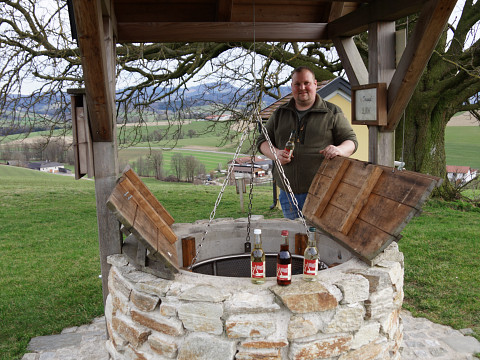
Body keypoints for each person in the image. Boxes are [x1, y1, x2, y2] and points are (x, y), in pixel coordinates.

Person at [257, 66, 358, 219]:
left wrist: (339, 150)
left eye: (306, 83)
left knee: (318, 238)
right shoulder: (280, 113)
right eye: (297, 84)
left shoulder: (331, 112)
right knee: (294, 238)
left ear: (315, 84)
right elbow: (262, 140)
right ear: (292, 87)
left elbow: (351, 141)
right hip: (288, 194)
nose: (302, 88)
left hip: (321, 193)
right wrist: (276, 154)